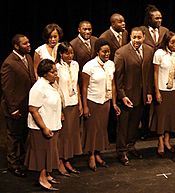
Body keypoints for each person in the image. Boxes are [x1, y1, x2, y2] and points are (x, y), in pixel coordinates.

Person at [114, 27, 154, 165]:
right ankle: (121, 151)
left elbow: (148, 75)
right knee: (123, 126)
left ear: (144, 37)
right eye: (134, 37)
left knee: (134, 125)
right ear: (130, 37)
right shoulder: (121, 53)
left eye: (139, 37)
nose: (136, 40)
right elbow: (118, 79)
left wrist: (148, 92)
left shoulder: (149, 50)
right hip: (127, 96)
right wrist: (122, 96)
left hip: (141, 95)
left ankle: (131, 146)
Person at [81, 39, 120, 171]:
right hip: (93, 101)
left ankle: (98, 153)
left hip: (105, 102)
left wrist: (114, 103)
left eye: (108, 51)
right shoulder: (89, 66)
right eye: (104, 51)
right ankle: (91, 155)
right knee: (92, 130)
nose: (106, 54)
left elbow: (113, 85)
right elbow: (84, 88)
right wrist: (85, 106)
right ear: (97, 52)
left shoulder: (111, 64)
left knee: (102, 129)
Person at [0, 34, 36, 177]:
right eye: (25, 43)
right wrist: (13, 109)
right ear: (16, 46)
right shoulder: (9, 63)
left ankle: (22, 160)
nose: (29, 45)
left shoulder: (27, 57)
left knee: (23, 136)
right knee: (14, 137)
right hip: (15, 107)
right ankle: (13, 164)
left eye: (28, 42)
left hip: (26, 105)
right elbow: (7, 89)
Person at [25, 59, 62, 191]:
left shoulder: (50, 84)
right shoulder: (38, 87)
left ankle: (47, 173)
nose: (55, 74)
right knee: (42, 153)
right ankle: (42, 177)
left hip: (53, 123)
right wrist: (44, 128)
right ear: (45, 73)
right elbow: (33, 109)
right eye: (53, 72)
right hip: (42, 127)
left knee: (50, 151)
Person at [151, 31, 175, 157]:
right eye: (172, 42)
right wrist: (157, 91)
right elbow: (155, 73)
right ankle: (160, 141)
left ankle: (167, 139)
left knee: (170, 115)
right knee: (161, 116)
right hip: (162, 89)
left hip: (174, 89)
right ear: (167, 42)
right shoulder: (159, 54)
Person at [139, 4, 169, 140]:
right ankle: (144, 129)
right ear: (149, 19)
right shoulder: (141, 30)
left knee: (160, 101)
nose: (159, 20)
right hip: (145, 70)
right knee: (146, 101)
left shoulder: (165, 31)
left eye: (160, 18)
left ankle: (159, 129)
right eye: (156, 18)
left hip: (161, 71)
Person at [99, 13, 128, 143]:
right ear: (113, 24)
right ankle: (110, 134)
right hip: (109, 72)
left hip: (122, 72)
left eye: (123, 21)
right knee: (111, 104)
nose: (123, 24)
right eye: (120, 22)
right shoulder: (105, 37)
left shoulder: (125, 33)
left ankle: (120, 131)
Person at [55, 42, 83, 176]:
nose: (70, 55)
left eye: (71, 52)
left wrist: (80, 104)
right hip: (63, 104)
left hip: (74, 102)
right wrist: (59, 109)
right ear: (61, 54)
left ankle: (67, 159)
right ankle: (60, 160)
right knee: (63, 135)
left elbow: (76, 84)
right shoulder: (57, 67)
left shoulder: (76, 65)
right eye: (67, 53)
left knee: (71, 133)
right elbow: (56, 89)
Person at [70, 20, 98, 88]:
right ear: (79, 30)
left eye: (89, 29)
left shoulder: (96, 40)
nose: (87, 32)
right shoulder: (73, 44)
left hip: (96, 79)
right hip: (82, 81)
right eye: (85, 29)